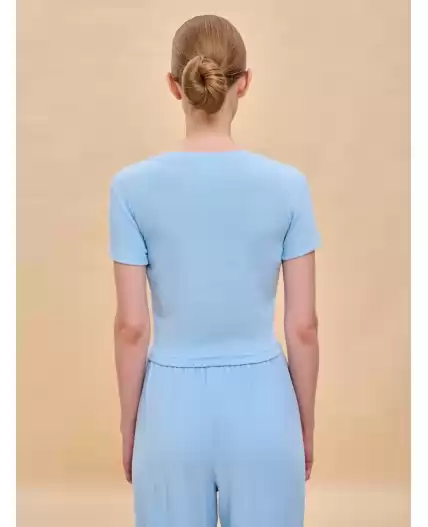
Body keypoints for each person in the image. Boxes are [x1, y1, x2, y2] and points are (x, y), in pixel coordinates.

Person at [109, 14, 320, 527]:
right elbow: (303, 327)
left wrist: (131, 426)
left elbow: (132, 327)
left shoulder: (130, 188)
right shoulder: (288, 187)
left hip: (170, 411)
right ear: (244, 83)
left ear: (173, 84)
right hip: (264, 408)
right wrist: (304, 426)